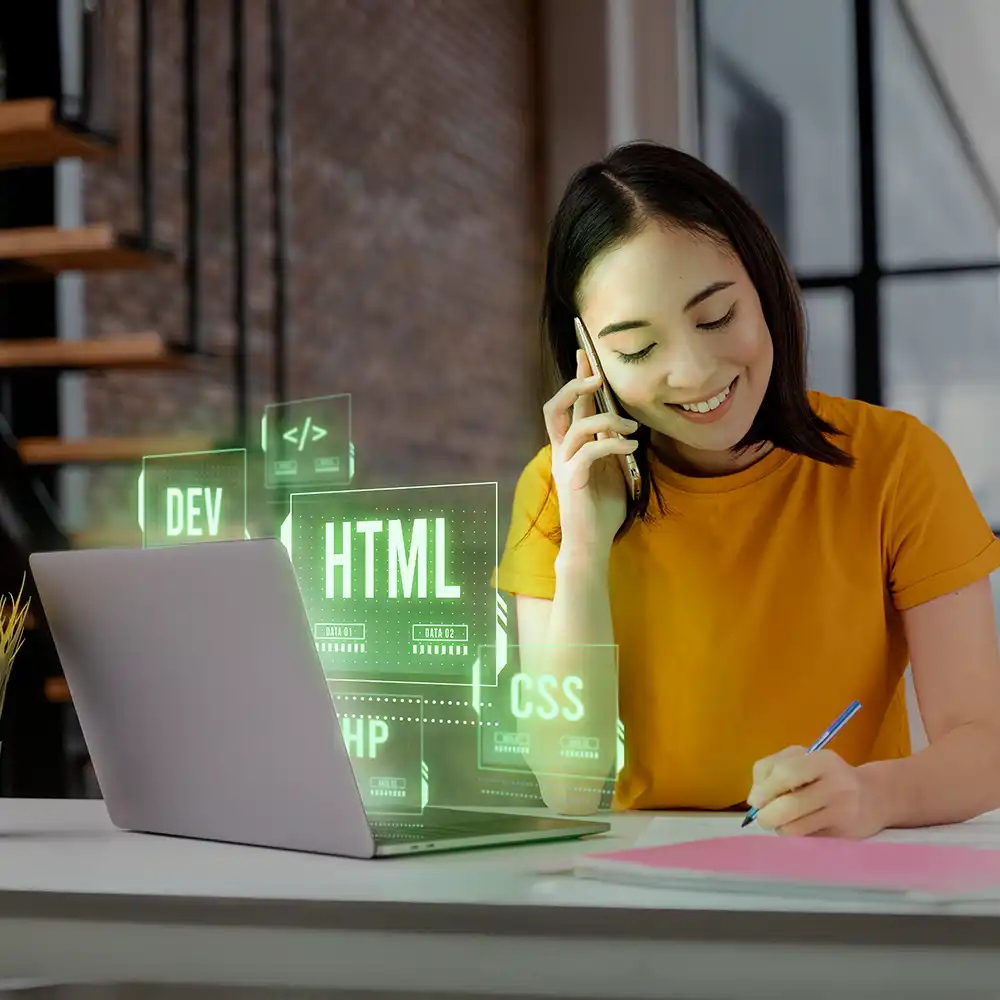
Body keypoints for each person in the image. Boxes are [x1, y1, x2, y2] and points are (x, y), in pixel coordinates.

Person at [496, 141, 1000, 838]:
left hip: (831, 868)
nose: (695, 373)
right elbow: (569, 788)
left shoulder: (897, 464)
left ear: (764, 288)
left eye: (716, 318)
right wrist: (583, 550)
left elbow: (982, 747)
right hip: (628, 890)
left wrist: (871, 795)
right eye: (638, 349)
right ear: (588, 359)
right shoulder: (558, 489)